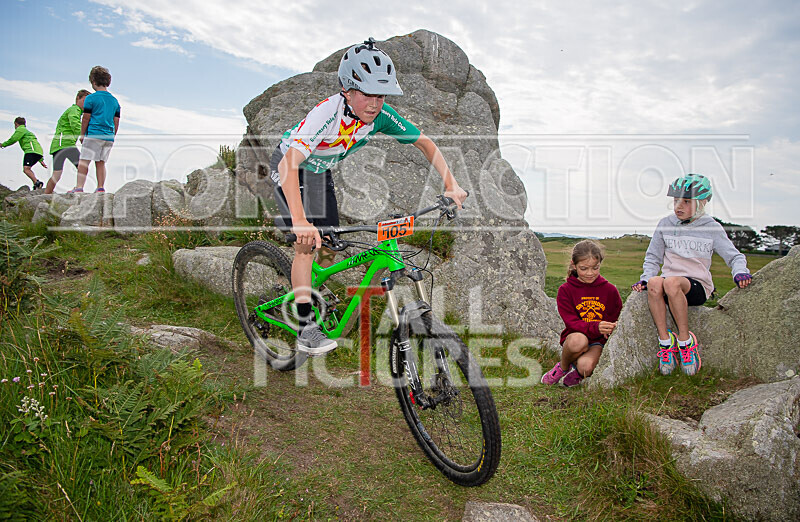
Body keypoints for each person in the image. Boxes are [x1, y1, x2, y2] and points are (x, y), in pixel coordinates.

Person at [270, 37, 468, 355]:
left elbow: (426, 143)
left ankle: (305, 286)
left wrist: (452, 184)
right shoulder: (326, 115)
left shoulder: (381, 117)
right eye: (366, 94)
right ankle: (306, 327)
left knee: (329, 244)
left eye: (380, 95)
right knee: (307, 244)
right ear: (347, 90)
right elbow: (288, 165)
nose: (374, 104)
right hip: (290, 168)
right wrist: (300, 221)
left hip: (319, 174)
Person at [631, 173, 752, 376]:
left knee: (670, 283)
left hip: (696, 286)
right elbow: (653, 258)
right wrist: (645, 278)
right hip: (670, 285)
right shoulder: (665, 223)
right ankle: (665, 343)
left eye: (686, 202)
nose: (679, 206)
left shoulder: (711, 227)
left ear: (702, 203)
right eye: (676, 200)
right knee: (654, 282)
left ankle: (686, 343)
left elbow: (735, 256)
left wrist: (740, 272)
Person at [542, 240, 622, 387]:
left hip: (598, 342)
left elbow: (616, 315)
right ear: (574, 265)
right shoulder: (565, 290)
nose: (590, 273)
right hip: (575, 337)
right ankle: (563, 367)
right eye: (584, 268)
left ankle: (578, 373)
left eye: (595, 268)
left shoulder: (610, 290)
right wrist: (596, 326)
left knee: (586, 367)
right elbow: (571, 322)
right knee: (578, 341)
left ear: (600, 264)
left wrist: (613, 326)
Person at [70, 66, 120, 193]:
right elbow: (116, 121)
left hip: (93, 133)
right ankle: (100, 187)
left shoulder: (91, 98)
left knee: (84, 161)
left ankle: (79, 187)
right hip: (108, 136)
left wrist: (82, 135)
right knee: (101, 162)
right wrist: (113, 135)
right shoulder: (114, 101)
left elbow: (86, 118)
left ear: (93, 81)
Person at [45, 89, 91, 194]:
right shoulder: (74, 110)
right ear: (78, 99)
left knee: (57, 174)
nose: (86, 104)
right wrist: (85, 134)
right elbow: (74, 123)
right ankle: (78, 188)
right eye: (84, 101)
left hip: (62, 145)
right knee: (82, 166)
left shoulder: (79, 112)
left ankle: (46, 195)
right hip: (64, 144)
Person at [1, 117, 48, 190]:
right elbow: (36, 145)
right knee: (27, 169)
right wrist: (41, 160)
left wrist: (3, 144)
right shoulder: (27, 132)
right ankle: (36, 184)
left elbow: (13, 139)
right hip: (37, 152)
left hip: (31, 151)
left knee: (26, 169)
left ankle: (37, 183)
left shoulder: (21, 129)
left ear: (16, 124)